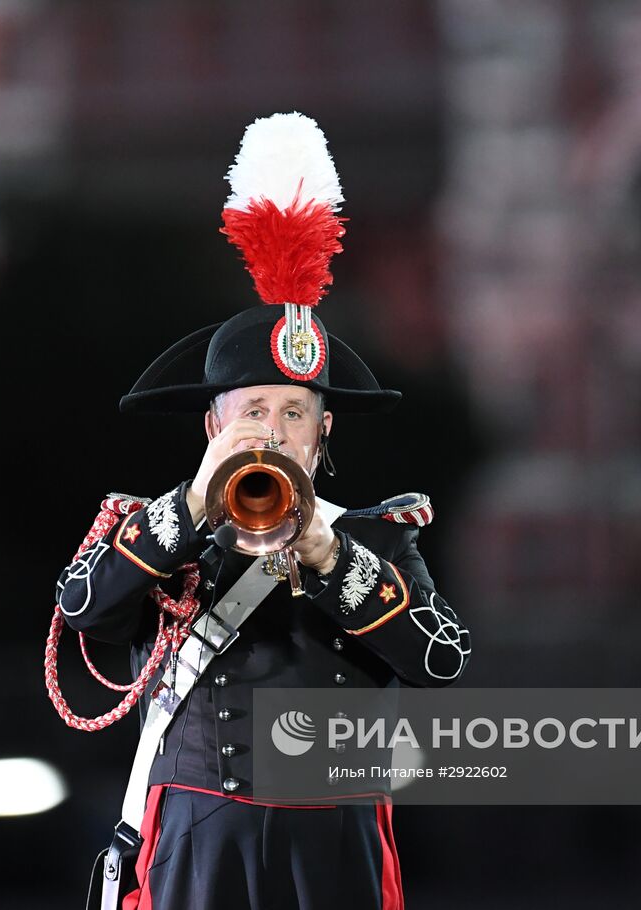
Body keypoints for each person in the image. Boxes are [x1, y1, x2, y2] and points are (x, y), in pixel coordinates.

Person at [53, 114, 471, 910]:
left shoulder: (374, 535)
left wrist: (325, 554)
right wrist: (188, 507)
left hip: (337, 838)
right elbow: (85, 611)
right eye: (252, 412)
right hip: (198, 833)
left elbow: (441, 660)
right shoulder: (156, 533)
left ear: (323, 431)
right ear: (215, 425)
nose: (273, 432)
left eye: (293, 414)